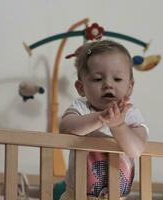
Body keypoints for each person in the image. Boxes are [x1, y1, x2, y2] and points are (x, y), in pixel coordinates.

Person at [59, 40, 149, 200]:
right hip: (77, 196)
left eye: (117, 79)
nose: (108, 84)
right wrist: (100, 118)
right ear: (81, 87)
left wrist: (118, 125)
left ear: (130, 87)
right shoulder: (81, 108)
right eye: (97, 79)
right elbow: (66, 128)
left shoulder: (130, 114)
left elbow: (136, 149)